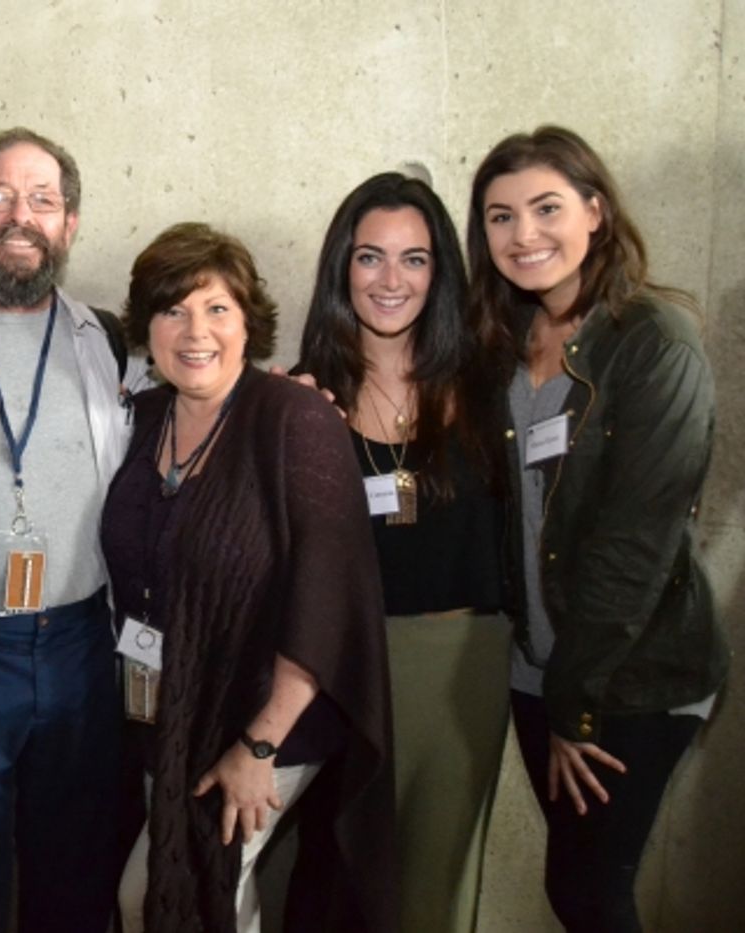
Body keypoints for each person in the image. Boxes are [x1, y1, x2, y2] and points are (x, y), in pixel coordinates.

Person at [467, 125, 727, 932]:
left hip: (629, 677)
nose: (524, 234)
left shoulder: (654, 343)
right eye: (500, 216)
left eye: (547, 208)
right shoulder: (504, 340)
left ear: (597, 212)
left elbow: (634, 547)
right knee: (581, 887)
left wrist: (577, 705)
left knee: (588, 892)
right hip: (537, 667)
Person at [103, 222, 395, 933]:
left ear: (247, 321)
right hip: (172, 712)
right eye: (173, 309)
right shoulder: (141, 419)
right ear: (149, 325)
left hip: (269, 717)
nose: (195, 330)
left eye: (217, 308)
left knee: (188, 888)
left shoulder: (293, 419)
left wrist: (258, 746)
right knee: (176, 894)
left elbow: (329, 599)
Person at [0, 126, 149, 933]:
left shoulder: (111, 342)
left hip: (81, 644)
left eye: (43, 200)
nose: (21, 215)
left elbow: (210, 391)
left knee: (78, 873)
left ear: (70, 224)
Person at [294, 173, 509, 933]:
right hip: (342, 671)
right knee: (335, 884)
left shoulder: (489, 385)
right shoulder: (301, 401)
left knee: (431, 889)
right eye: (370, 258)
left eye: (414, 259)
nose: (391, 280)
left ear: (440, 271)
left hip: (461, 670)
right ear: (340, 270)